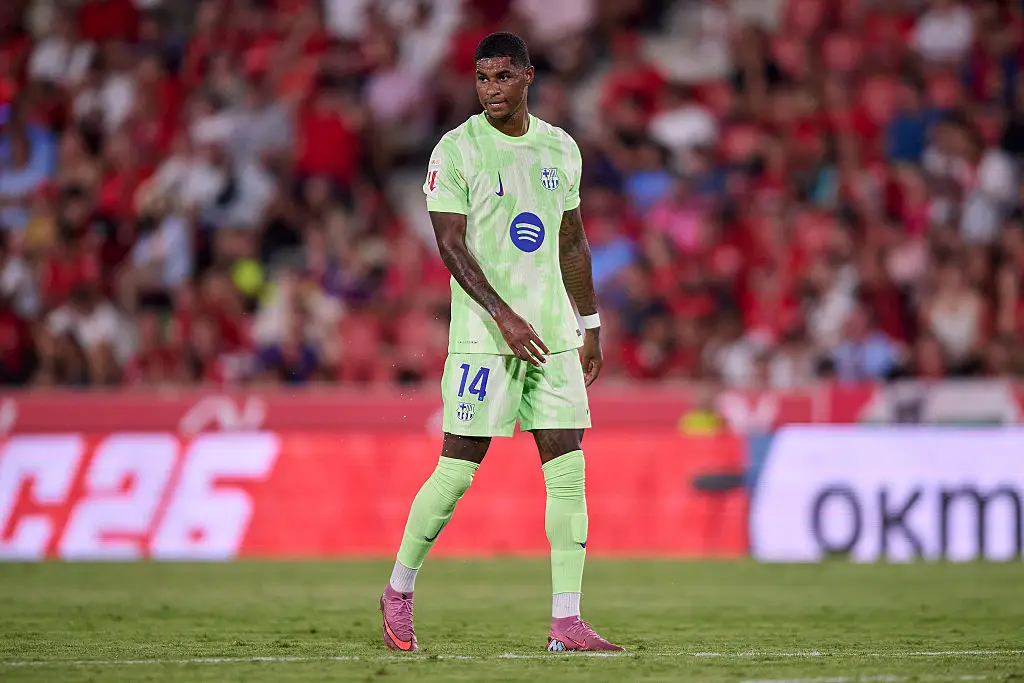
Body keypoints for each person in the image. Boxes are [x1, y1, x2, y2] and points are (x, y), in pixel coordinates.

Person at [379, 32, 622, 653]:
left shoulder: (560, 149)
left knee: (569, 475)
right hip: (485, 340)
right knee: (458, 470)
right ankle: (400, 588)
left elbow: (572, 242)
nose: (491, 89)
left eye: (504, 77)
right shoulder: (456, 149)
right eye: (483, 78)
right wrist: (504, 317)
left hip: (554, 337)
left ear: (528, 77)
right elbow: (450, 246)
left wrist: (589, 325)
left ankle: (567, 622)